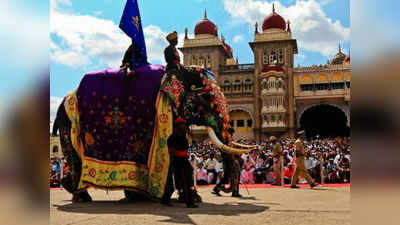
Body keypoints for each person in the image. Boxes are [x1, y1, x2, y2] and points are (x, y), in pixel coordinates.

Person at [161, 118, 198, 208]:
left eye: (184, 125)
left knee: (188, 182)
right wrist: (173, 163)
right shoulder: (172, 137)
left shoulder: (183, 137)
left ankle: (190, 201)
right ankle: (167, 200)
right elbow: (172, 151)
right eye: (182, 125)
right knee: (174, 183)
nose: (184, 127)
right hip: (177, 161)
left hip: (184, 160)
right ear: (177, 127)